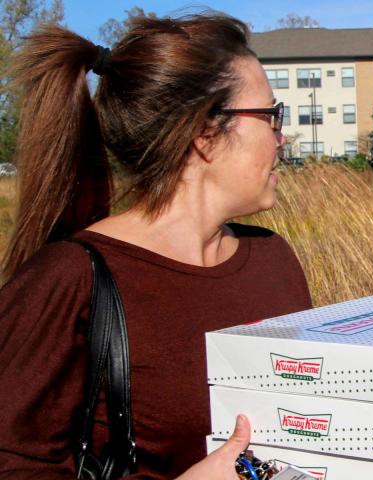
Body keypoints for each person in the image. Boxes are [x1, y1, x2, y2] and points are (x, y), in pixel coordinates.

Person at [0, 14, 313, 478]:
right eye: (271, 115)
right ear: (206, 132)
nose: (282, 136)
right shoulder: (68, 280)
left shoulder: (273, 260)